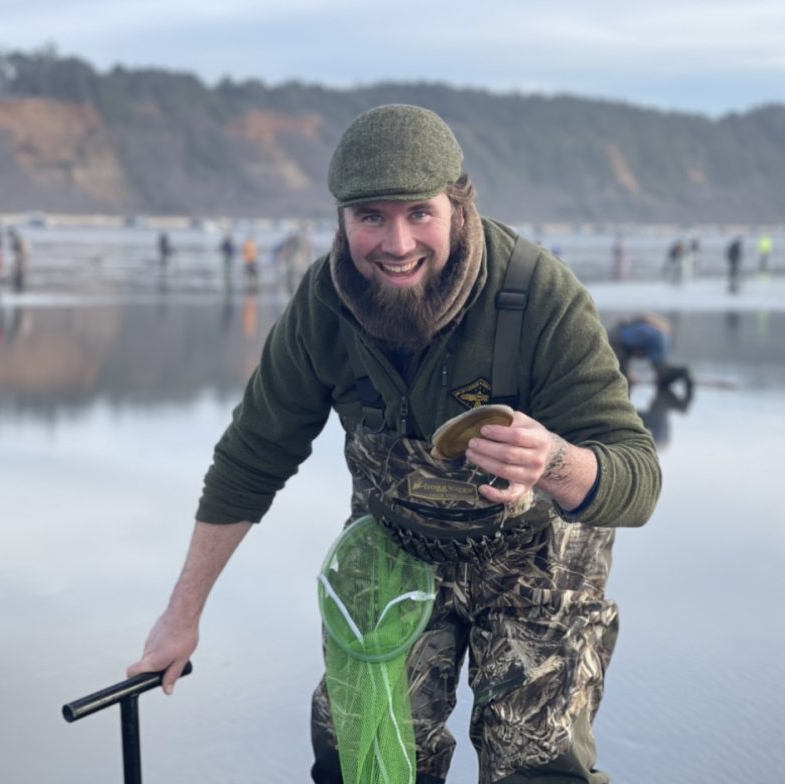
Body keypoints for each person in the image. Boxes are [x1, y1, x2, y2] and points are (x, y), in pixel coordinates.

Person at [127, 104, 661, 784]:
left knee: (537, 763)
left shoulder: (539, 295)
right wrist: (182, 615)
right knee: (358, 753)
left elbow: (639, 482)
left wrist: (555, 461)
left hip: (537, 563)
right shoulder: (325, 304)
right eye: (370, 217)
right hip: (398, 553)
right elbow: (251, 457)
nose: (398, 243)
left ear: (458, 207)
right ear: (343, 220)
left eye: (419, 214)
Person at [607, 313, 691, 391]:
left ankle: (683, 372)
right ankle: (680, 375)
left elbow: (625, 354)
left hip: (632, 341)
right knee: (661, 374)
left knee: (624, 377)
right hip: (653, 340)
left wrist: (629, 375)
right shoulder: (657, 329)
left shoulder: (621, 332)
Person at [8, 228, 30, 292]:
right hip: (22, 257)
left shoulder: (18, 239)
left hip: (22, 257)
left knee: (20, 272)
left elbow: (16, 248)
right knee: (20, 272)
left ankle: (19, 286)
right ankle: (19, 285)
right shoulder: (20, 239)